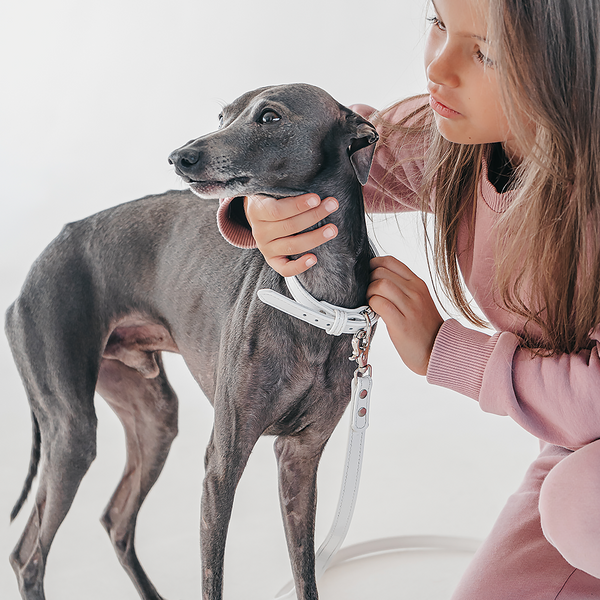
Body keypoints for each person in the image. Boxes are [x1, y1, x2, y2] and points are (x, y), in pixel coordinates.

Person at [216, 0, 600, 597]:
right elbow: (335, 150)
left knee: (580, 510)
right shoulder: (462, 142)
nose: (438, 69)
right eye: (439, 22)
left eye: (485, 53)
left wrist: (446, 350)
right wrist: (263, 208)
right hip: (578, 443)